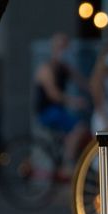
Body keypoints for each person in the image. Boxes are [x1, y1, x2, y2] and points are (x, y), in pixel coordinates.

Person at [34, 31, 91, 169]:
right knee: (79, 128)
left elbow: (83, 82)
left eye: (66, 47)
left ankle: (67, 159)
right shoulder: (46, 69)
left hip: (59, 110)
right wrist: (74, 101)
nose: (64, 51)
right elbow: (53, 94)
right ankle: (67, 164)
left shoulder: (64, 68)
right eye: (61, 47)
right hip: (47, 112)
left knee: (73, 132)